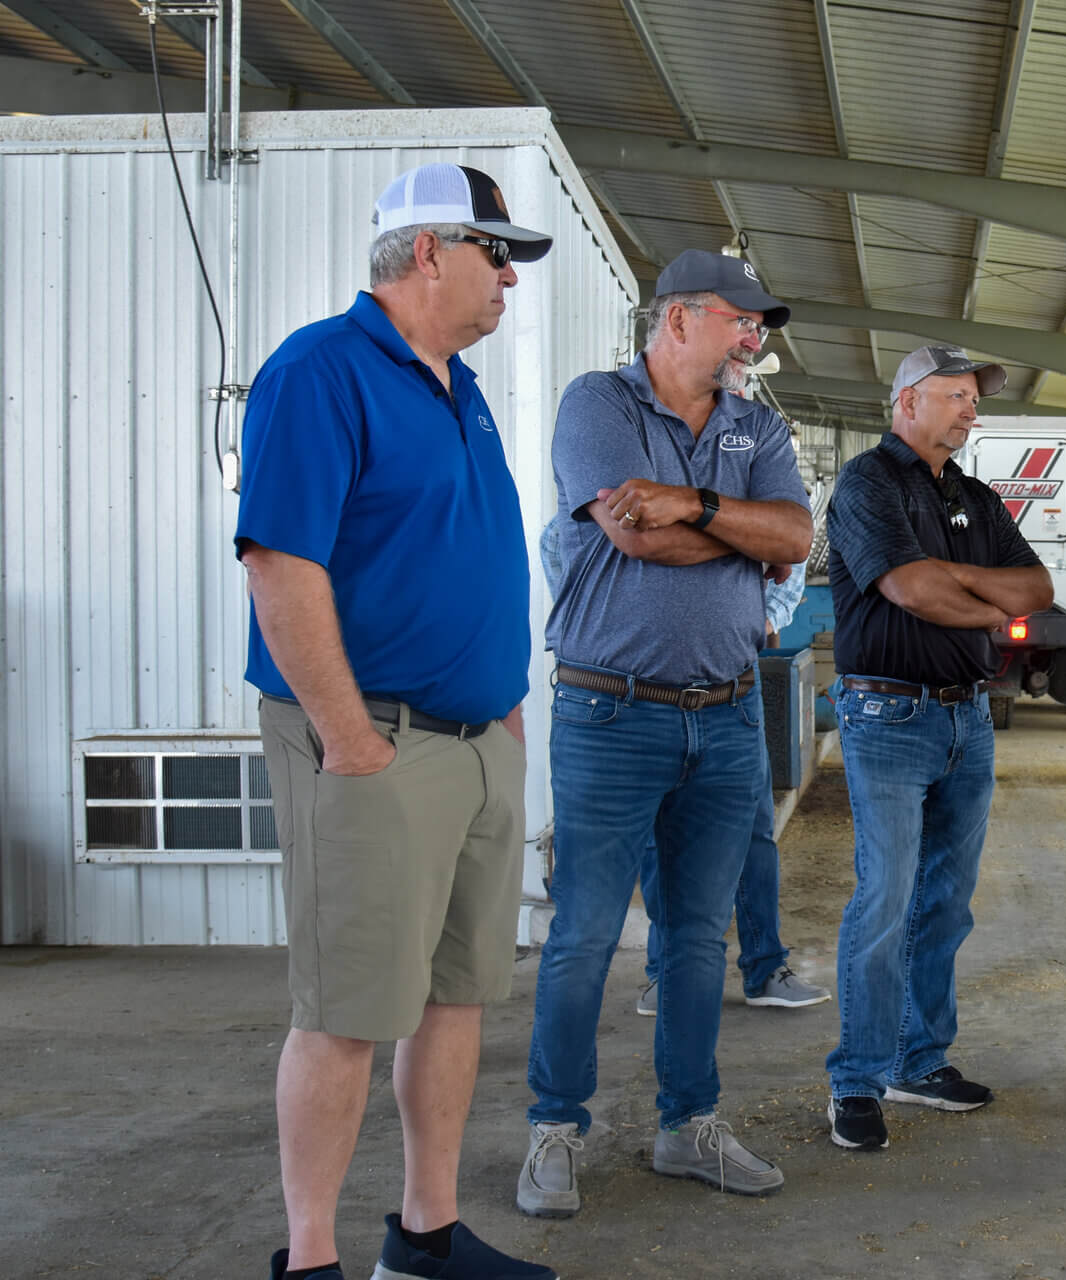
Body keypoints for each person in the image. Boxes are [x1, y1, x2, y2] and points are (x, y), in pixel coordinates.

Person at [238, 163, 554, 1280]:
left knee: (456, 993)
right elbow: (280, 561)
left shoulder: (455, 386)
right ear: (429, 251)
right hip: (372, 738)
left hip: (475, 744)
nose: (508, 277)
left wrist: (504, 706)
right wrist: (351, 739)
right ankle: (311, 1259)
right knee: (347, 1010)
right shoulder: (321, 370)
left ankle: (425, 1234)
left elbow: (467, 558)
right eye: (494, 254)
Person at [519, 250, 813, 1216]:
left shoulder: (756, 424)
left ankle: (689, 1127)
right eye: (740, 320)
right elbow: (631, 534)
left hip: (725, 713)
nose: (753, 338)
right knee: (586, 933)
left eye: (757, 324)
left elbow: (796, 542)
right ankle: (555, 1129)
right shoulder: (597, 405)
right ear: (680, 319)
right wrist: (738, 530)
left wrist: (691, 502)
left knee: (695, 939)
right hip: (609, 710)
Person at [822, 344, 1053, 1151]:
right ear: (907, 401)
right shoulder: (865, 483)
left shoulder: (977, 497)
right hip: (887, 714)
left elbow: (1037, 591)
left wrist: (952, 582)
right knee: (884, 898)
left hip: (968, 719)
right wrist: (979, 599)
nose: (970, 410)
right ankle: (857, 1076)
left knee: (945, 904)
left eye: (972, 397)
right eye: (955, 395)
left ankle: (920, 1060)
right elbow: (906, 590)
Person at [634, 562, 833, 1015]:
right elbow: (558, 545)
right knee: (659, 838)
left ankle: (764, 969)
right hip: (644, 684)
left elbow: (793, 546)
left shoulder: (744, 492)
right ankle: (666, 973)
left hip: (732, 683)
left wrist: (760, 619)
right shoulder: (621, 495)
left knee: (752, 832)